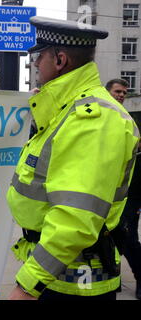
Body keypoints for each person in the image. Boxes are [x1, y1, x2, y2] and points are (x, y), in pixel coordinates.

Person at [7, 16, 140, 300]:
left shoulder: (93, 119)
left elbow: (75, 218)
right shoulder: (69, 108)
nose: (34, 63)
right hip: (59, 274)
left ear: (59, 60)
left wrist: (27, 285)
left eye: (39, 55)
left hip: (71, 283)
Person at [106, 78, 141, 300]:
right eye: (118, 91)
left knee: (128, 239)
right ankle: (113, 279)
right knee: (108, 240)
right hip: (104, 194)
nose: (121, 95)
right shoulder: (100, 118)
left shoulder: (128, 121)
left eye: (124, 92)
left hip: (130, 194)